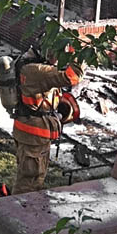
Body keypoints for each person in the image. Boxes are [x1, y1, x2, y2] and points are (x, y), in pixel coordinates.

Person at [12, 47, 83, 194]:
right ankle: (21, 212)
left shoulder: (29, 64)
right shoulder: (37, 70)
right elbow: (72, 77)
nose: (57, 59)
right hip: (34, 135)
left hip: (31, 132)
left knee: (33, 178)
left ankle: (25, 209)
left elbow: (43, 95)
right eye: (56, 55)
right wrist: (79, 54)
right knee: (29, 182)